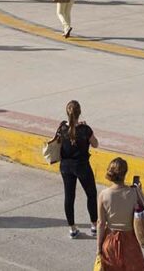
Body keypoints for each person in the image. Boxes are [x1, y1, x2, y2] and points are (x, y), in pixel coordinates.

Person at [53, 100, 99, 238]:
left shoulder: (61, 128)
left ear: (67, 113)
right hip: (82, 166)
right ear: (80, 113)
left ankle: (72, 228)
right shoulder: (85, 130)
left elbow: (55, 142)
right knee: (91, 194)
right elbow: (95, 144)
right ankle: (94, 226)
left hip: (66, 166)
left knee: (69, 196)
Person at [96, 157, 144, 271]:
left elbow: (100, 223)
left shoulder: (104, 195)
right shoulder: (133, 192)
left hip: (110, 240)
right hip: (130, 240)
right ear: (125, 174)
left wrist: (99, 248)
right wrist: (140, 191)